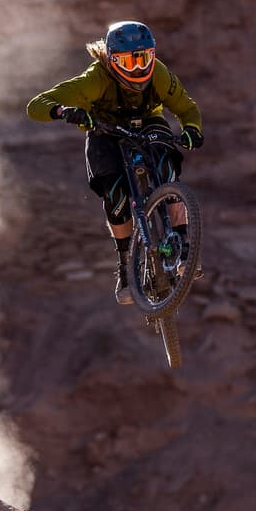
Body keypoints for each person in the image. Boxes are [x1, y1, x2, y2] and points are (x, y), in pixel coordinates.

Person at [27, 21, 204, 304]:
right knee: (114, 194)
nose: (136, 68)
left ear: (153, 55)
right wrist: (64, 111)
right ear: (110, 59)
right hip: (105, 129)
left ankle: (181, 245)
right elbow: (36, 105)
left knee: (166, 160)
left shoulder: (158, 74)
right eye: (127, 61)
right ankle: (125, 266)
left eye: (143, 59)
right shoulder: (95, 79)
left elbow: (187, 108)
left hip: (148, 123)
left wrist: (192, 129)